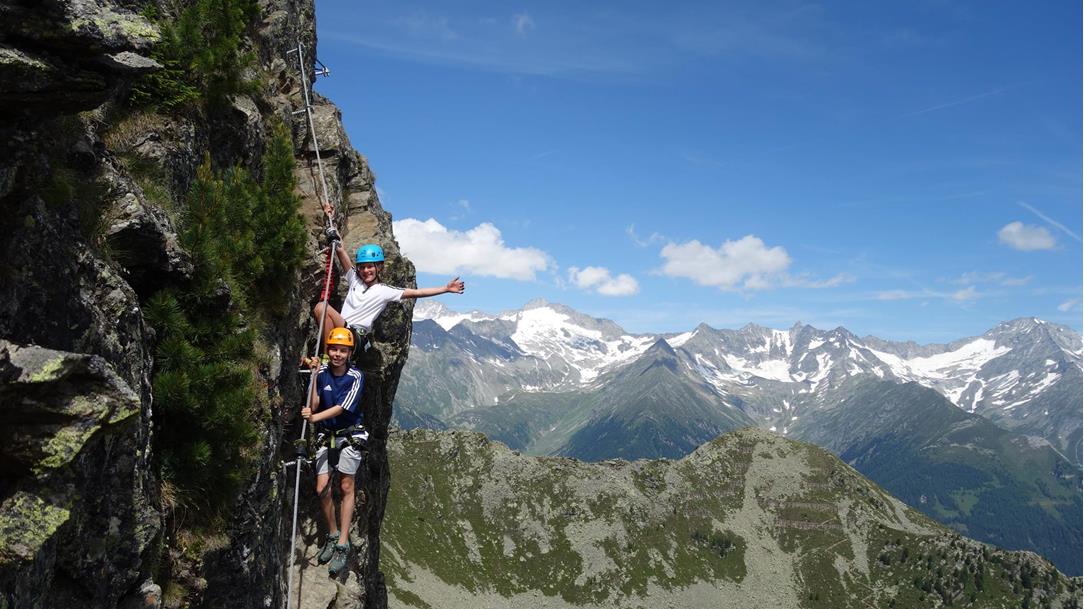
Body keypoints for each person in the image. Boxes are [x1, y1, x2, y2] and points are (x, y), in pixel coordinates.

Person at [312, 237, 464, 352]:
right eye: (362, 267)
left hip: (356, 336)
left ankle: (326, 356)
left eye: (370, 267)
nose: (366, 271)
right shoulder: (354, 280)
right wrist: (329, 214)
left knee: (322, 307)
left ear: (379, 267)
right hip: (343, 331)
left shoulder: (384, 291)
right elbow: (340, 250)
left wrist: (445, 288)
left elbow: (417, 292)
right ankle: (328, 354)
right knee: (321, 309)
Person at [302, 327, 367, 576]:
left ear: (350, 352)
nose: (338, 354)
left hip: (350, 434)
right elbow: (315, 402)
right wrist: (315, 376)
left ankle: (342, 544)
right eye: (334, 349)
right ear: (328, 350)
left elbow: (341, 408)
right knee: (322, 488)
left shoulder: (355, 376)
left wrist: (314, 417)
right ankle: (332, 533)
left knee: (346, 486)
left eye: (343, 350)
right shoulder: (324, 374)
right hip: (327, 435)